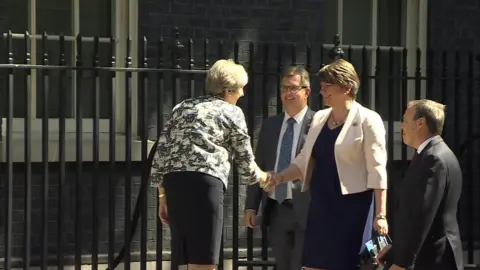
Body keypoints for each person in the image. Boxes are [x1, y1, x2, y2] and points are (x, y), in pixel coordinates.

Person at [150, 59, 271, 270]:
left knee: (185, 260)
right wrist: (265, 178)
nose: (242, 94)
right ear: (228, 90)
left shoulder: (182, 107)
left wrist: (162, 197)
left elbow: (161, 154)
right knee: (204, 261)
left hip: (174, 185)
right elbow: (245, 161)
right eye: (241, 88)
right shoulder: (231, 112)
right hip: (205, 185)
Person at [269, 59, 389, 270]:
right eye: (322, 86)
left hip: (354, 207)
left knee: (347, 264)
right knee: (315, 264)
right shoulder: (319, 119)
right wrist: (279, 178)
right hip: (321, 204)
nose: (322, 91)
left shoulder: (369, 120)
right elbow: (304, 159)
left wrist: (381, 215)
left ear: (347, 88)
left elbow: (377, 169)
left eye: (327, 87)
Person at [378, 100, 463, 270]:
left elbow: (422, 216)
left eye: (405, 120)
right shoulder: (431, 154)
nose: (401, 125)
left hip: (433, 258)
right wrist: (395, 250)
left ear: (420, 123)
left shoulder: (434, 159)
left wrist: (401, 262)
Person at [244, 66, 315, 270]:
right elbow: (259, 165)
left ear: (306, 92)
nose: (288, 93)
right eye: (284, 88)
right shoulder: (270, 125)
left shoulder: (317, 123)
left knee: (301, 265)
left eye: (293, 88)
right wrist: (251, 205)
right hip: (277, 208)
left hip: (306, 207)